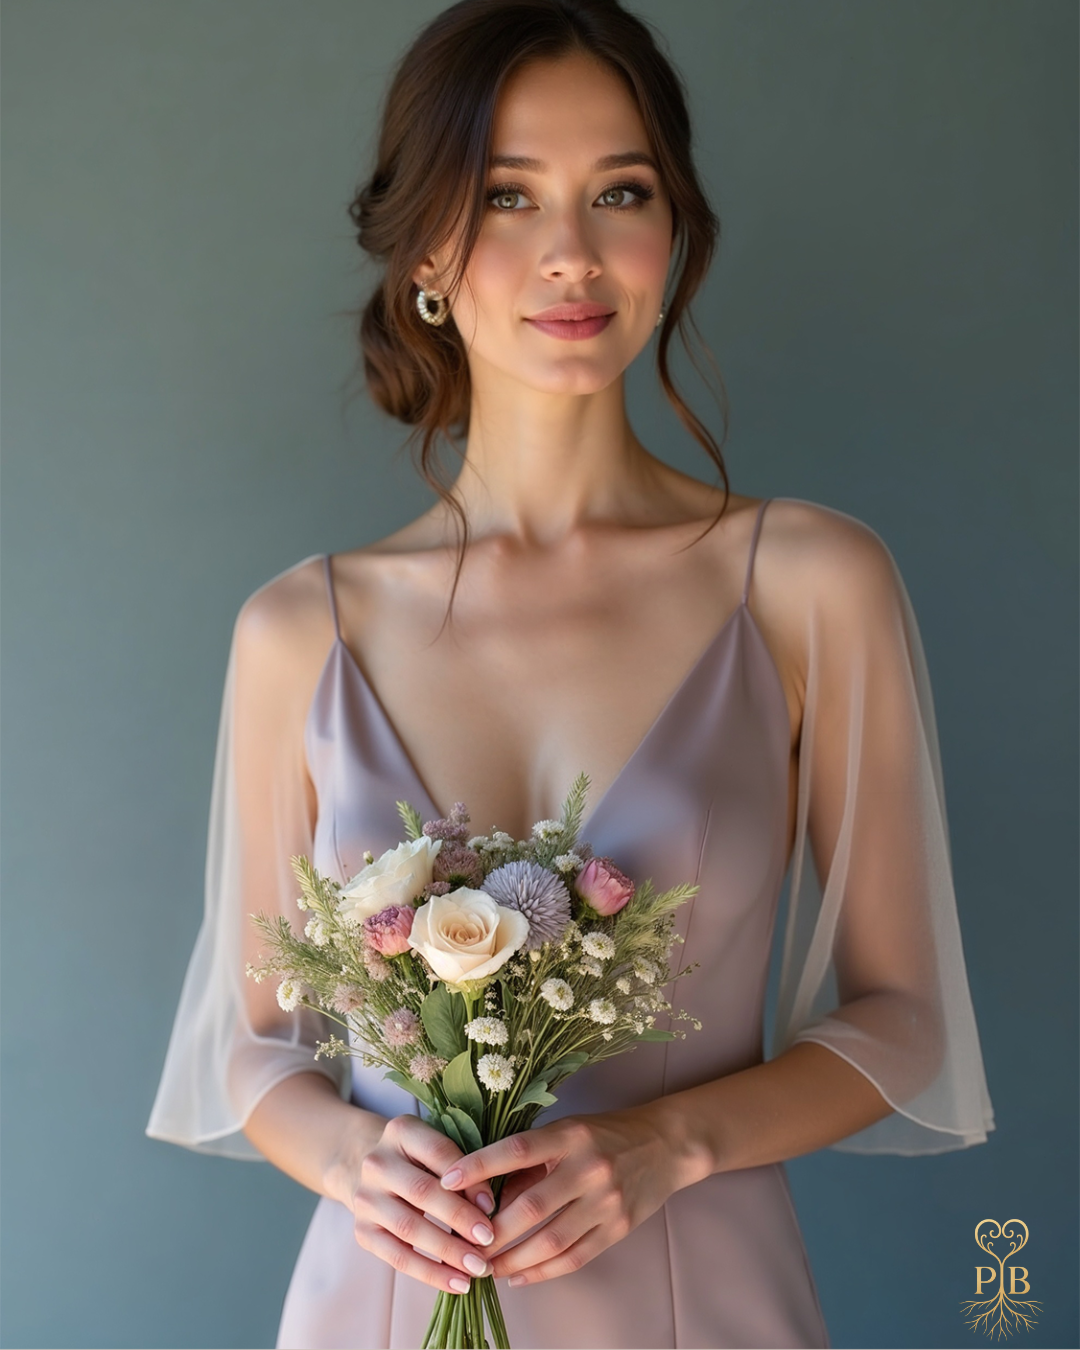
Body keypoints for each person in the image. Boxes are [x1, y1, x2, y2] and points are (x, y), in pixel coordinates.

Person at [146, 2, 996, 1346]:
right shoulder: (300, 630)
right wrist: (349, 1156)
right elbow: (253, 1045)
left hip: (699, 1292)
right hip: (381, 1300)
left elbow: (903, 1018)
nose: (572, 253)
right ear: (426, 244)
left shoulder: (808, 580)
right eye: (505, 197)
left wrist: (673, 1138)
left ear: (675, 236)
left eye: (620, 191)